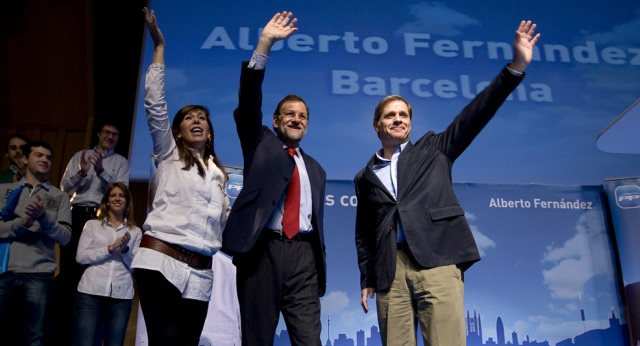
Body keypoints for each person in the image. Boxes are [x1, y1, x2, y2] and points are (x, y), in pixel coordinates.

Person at [354, 21, 540, 346]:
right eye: (390, 115)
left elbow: (475, 114)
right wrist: (367, 277)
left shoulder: (435, 149)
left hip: (437, 259)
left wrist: (515, 68)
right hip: (390, 269)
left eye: (403, 115)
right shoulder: (365, 176)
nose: (398, 119)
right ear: (377, 125)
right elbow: (364, 233)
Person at [222, 12, 327, 346]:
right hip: (262, 253)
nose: (296, 119)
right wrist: (264, 44)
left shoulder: (316, 169)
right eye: (289, 114)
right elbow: (248, 101)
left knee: (310, 340)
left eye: (302, 116)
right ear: (276, 121)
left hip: (304, 257)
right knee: (256, 339)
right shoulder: (260, 142)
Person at [130, 8, 230, 346]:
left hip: (201, 273)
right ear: (177, 131)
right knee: (166, 340)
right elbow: (154, 103)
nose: (197, 120)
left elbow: (225, 223)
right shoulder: (168, 153)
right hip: (161, 262)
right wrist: (158, 47)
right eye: (189, 118)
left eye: (202, 117)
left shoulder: (219, 175)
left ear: (210, 131)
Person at [55, 122, 130, 345]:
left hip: (103, 219)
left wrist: (101, 172)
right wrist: (82, 172)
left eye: (114, 134)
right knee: (69, 272)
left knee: (94, 270)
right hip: (76, 214)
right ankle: (65, 333)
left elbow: (121, 192)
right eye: (106, 132)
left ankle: (91, 332)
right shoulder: (81, 155)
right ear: (98, 134)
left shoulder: (120, 162)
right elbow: (64, 188)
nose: (110, 137)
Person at [0, 140, 72, 346]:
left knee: (34, 338)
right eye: (38, 155)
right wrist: (23, 223)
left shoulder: (59, 197)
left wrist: (44, 218)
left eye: (48, 157)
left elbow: (65, 237)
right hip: (4, 272)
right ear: (24, 159)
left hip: (39, 275)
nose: (45, 160)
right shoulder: (5, 191)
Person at [74, 182, 142, 346]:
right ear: (106, 201)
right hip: (91, 293)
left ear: (127, 201)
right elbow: (81, 257)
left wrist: (125, 249)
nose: (117, 198)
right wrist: (109, 248)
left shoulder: (135, 232)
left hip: (121, 297)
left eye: (121, 195)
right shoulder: (92, 225)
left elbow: (135, 268)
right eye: (113, 195)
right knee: (86, 342)